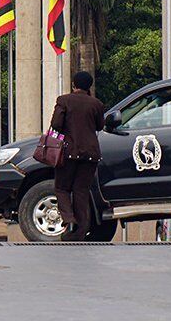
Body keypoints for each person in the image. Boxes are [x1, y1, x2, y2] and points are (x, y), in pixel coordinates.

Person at [49, 70, 105, 241]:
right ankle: (79, 232)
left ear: (73, 84)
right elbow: (100, 126)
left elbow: (56, 125)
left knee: (62, 188)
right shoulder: (96, 104)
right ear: (89, 86)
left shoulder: (64, 100)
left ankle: (68, 219)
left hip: (68, 152)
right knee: (81, 191)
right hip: (91, 154)